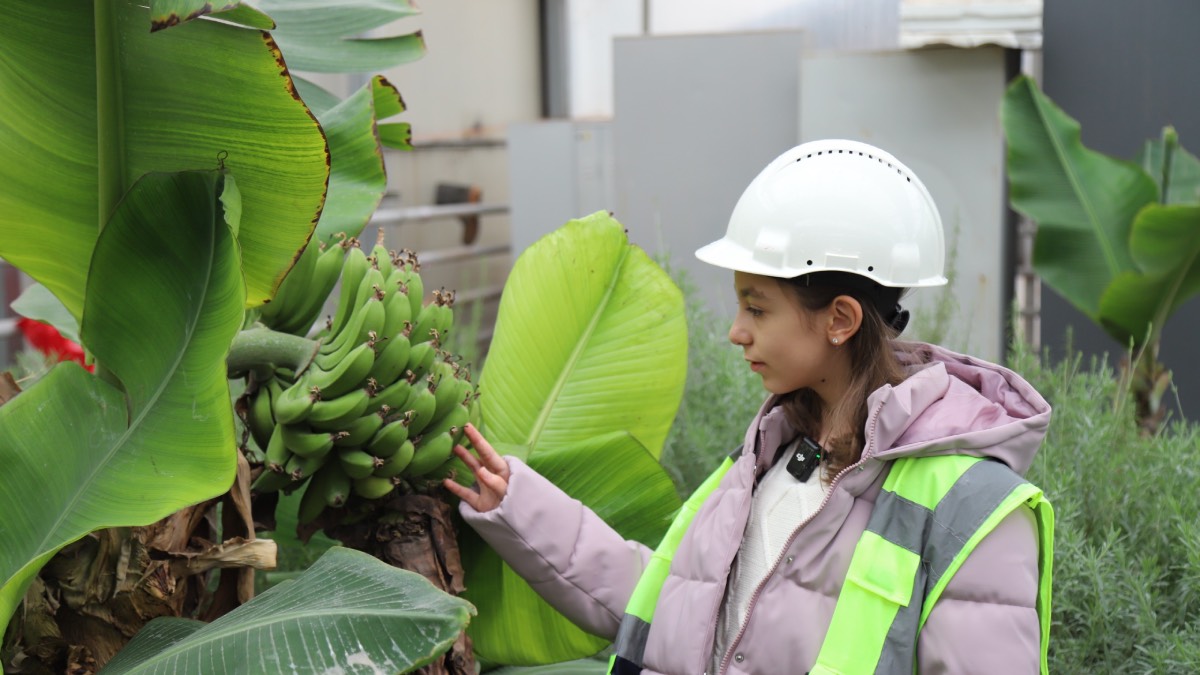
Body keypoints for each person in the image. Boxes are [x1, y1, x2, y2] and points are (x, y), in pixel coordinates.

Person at [442, 139, 1054, 675]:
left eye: (757, 308)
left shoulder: (973, 513)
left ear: (839, 319)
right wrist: (517, 505)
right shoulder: (775, 456)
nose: (736, 331)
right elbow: (668, 605)